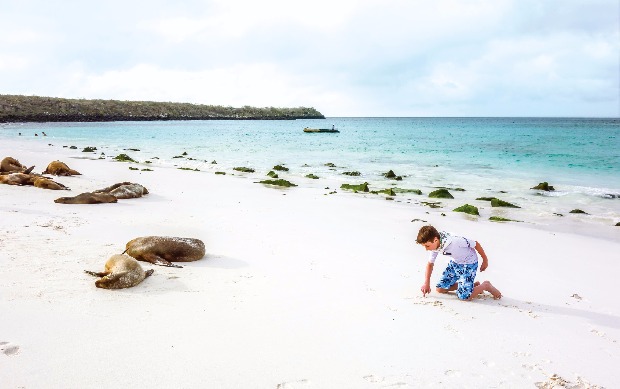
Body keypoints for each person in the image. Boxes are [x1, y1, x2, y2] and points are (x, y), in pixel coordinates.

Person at [416, 225, 501, 300]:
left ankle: (485, 285)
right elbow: (430, 264)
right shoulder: (435, 246)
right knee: (440, 289)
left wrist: (485, 260)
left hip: (469, 263)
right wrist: (426, 283)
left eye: (427, 246)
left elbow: (476, 244)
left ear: (435, 240)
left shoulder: (455, 241)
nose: (426, 249)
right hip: (455, 263)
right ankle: (472, 286)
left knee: (464, 297)